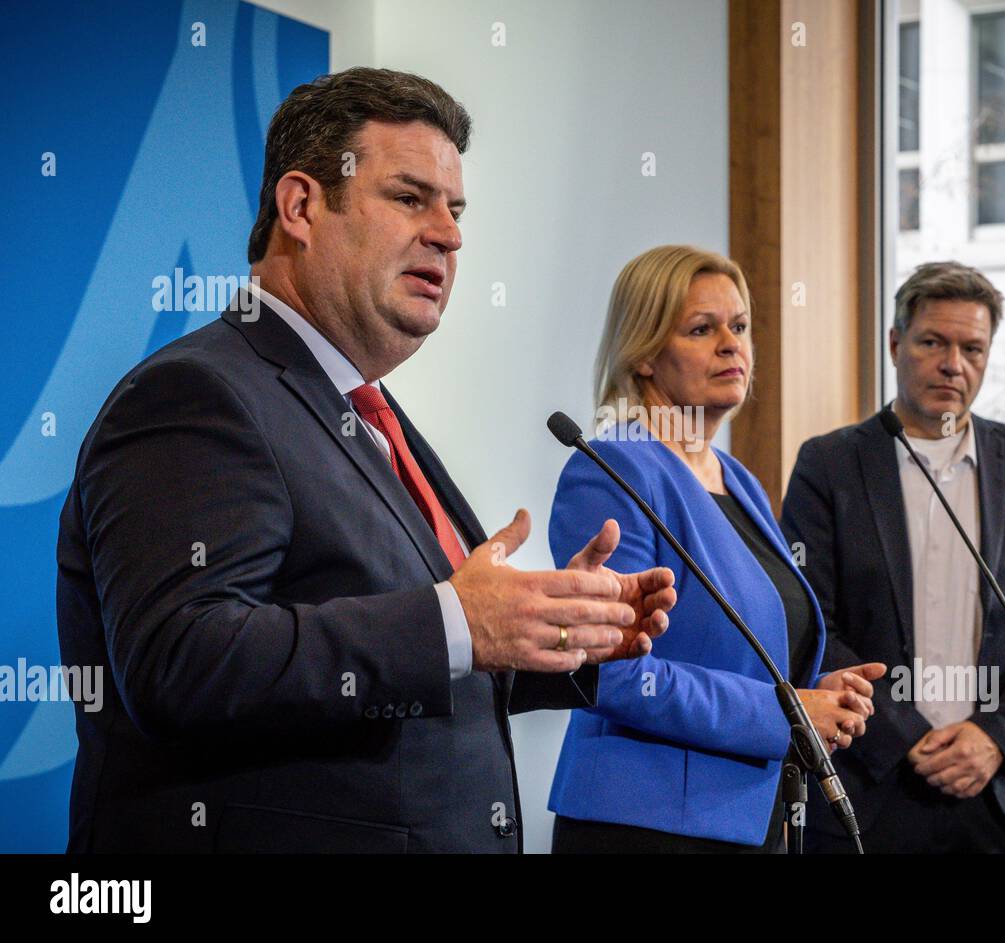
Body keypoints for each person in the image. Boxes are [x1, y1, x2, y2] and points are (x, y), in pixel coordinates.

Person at [55, 67, 676, 853]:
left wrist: (551, 636)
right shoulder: (195, 394)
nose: (449, 234)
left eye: (455, 211)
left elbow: (404, 659)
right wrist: (460, 618)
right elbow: (184, 661)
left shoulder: (363, 409)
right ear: (302, 206)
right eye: (411, 198)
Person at [546, 245, 884, 853]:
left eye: (741, 326)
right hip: (647, 826)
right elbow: (614, 673)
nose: (732, 345)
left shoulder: (739, 479)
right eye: (703, 329)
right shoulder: (613, 469)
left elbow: (738, 652)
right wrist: (786, 712)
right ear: (645, 354)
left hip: (751, 818)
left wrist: (819, 689)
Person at [781, 261, 1005, 853]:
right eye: (932, 342)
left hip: (1000, 790)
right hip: (869, 783)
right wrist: (903, 737)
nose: (954, 364)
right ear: (896, 344)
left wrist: (996, 735)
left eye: (973, 348)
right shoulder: (830, 464)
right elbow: (809, 617)